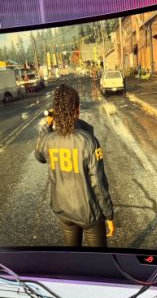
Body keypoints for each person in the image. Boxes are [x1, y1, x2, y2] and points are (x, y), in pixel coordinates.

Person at [34, 84, 115, 247]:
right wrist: (108, 214)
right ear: (77, 109)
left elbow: (39, 156)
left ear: (56, 112)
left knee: (72, 254)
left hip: (63, 211)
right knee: (99, 259)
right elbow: (98, 183)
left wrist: (47, 126)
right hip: (89, 215)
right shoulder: (88, 141)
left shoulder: (48, 140)